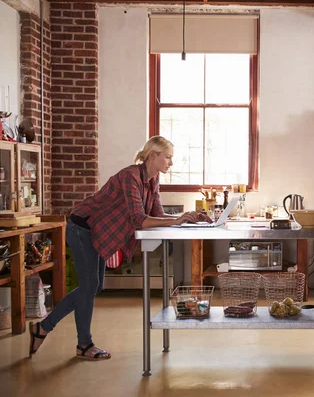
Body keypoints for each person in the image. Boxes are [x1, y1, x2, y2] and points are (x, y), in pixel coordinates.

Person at [28, 135, 210, 360]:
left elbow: (157, 214)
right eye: (168, 157)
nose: (171, 162)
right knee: (90, 285)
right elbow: (140, 219)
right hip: (82, 226)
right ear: (153, 155)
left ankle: (42, 328)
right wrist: (176, 220)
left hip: (97, 231)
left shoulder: (152, 180)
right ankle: (83, 344)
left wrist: (188, 217)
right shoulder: (130, 176)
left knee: (94, 286)